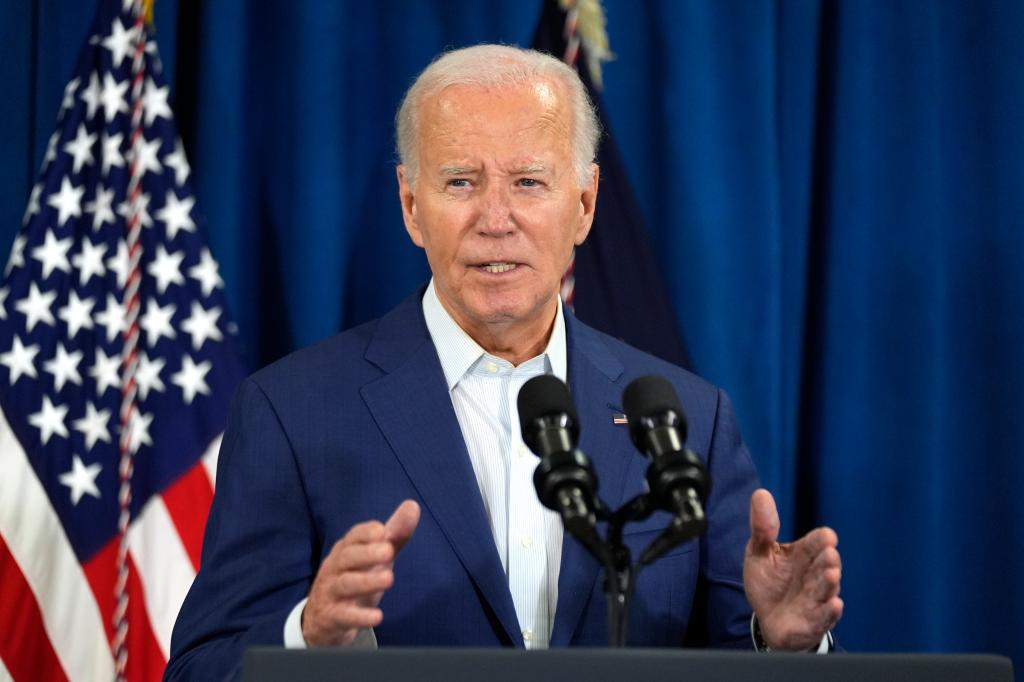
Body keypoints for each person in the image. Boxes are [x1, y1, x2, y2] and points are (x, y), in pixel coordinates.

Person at [165, 44, 842, 680]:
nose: (496, 218)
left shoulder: (686, 418)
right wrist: (306, 637)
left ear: (582, 205)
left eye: (528, 181)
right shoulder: (293, 412)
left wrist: (782, 643)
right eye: (461, 182)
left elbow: (732, 650)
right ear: (410, 205)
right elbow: (202, 665)